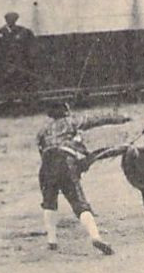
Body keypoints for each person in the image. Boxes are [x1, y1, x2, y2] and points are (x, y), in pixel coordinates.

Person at [36, 101, 131, 255]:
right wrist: (121, 118)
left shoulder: (42, 131)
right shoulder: (73, 122)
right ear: (66, 111)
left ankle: (52, 241)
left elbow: (42, 150)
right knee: (79, 203)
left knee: (49, 202)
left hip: (46, 165)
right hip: (65, 161)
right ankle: (95, 237)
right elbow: (97, 120)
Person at [0, 11, 36, 96]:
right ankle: (9, 98)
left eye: (13, 19)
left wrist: (28, 58)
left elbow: (30, 44)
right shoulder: (1, 32)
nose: (11, 21)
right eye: (9, 19)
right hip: (6, 61)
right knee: (7, 81)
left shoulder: (23, 31)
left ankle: (22, 97)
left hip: (20, 60)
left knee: (21, 80)